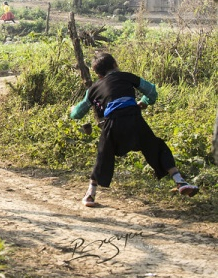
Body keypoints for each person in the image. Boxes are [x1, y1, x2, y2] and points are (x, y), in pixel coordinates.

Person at [70, 53, 199, 207]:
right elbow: (151, 91)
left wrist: (72, 110)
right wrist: (144, 102)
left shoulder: (93, 89)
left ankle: (90, 195)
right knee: (157, 147)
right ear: (115, 64)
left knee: (103, 155)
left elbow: (77, 113)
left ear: (98, 75)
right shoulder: (127, 77)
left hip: (112, 123)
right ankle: (180, 181)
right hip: (135, 119)